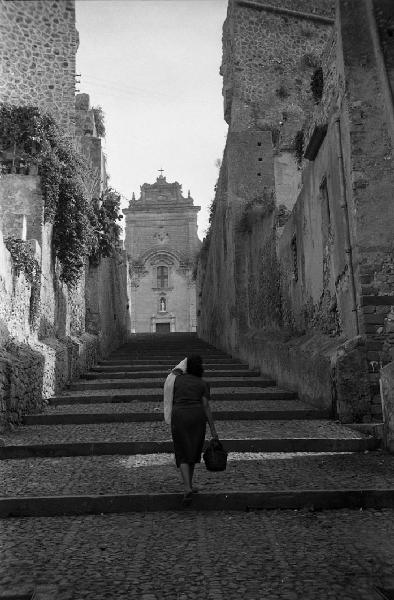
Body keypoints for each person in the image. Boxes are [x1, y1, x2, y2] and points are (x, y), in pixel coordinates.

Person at [170, 354, 218, 506]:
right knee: (193, 449)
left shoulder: (177, 380)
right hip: (197, 416)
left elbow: (169, 397)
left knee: (182, 451)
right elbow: (205, 406)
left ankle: (187, 487)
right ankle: (189, 485)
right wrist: (213, 430)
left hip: (179, 415)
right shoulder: (203, 383)